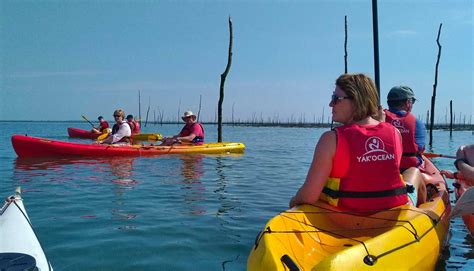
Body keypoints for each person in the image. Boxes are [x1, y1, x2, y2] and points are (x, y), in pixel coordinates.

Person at [289, 73, 423, 212]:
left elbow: (309, 196)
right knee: (415, 173)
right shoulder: (395, 133)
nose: (330, 104)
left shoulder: (330, 139)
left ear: (356, 100)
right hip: (391, 215)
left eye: (336, 99)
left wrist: (293, 202)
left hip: (345, 217)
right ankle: (419, 213)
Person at [384, 86, 426, 171]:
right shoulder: (417, 123)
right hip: (409, 166)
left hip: (386, 165)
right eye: (412, 101)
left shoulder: (377, 120)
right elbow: (420, 149)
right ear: (408, 102)